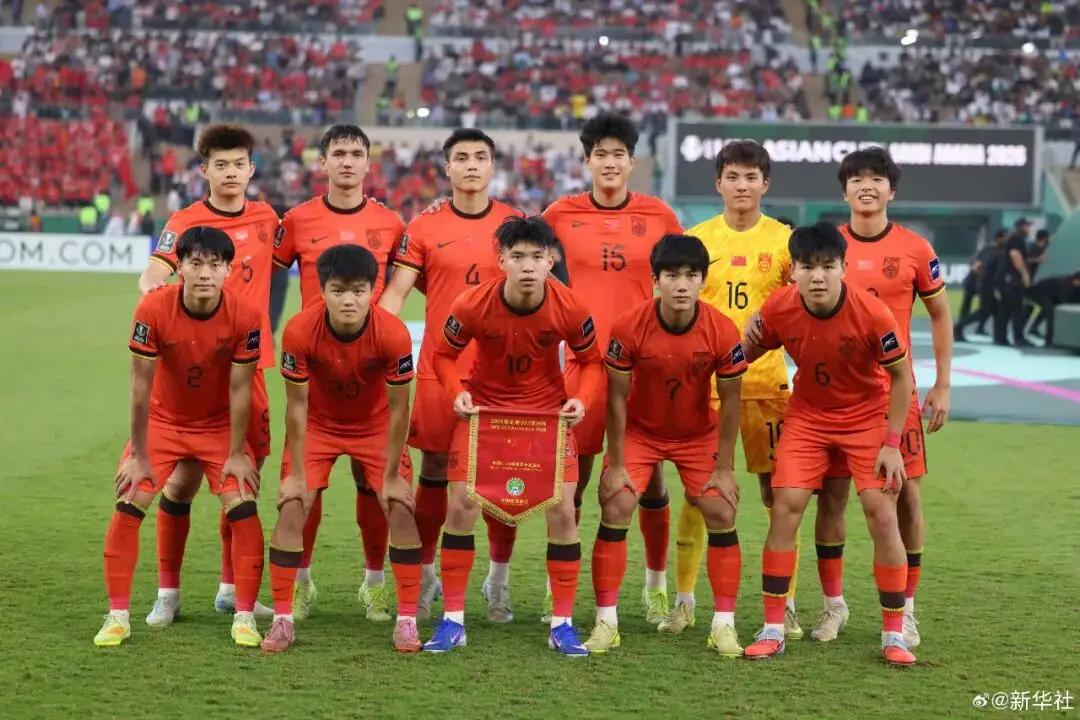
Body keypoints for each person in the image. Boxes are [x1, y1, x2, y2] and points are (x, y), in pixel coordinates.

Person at [423, 216, 601, 657]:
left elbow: (592, 361)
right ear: (501, 260)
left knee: (563, 509)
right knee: (461, 506)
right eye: (517, 256)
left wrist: (581, 400)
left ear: (550, 261)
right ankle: (453, 621)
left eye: (537, 257)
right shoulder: (471, 303)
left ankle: (562, 624)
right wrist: (456, 392)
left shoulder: (571, 306)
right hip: (485, 415)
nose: (527, 266)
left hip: (545, 417)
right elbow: (442, 356)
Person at [741, 222, 917, 666]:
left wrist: (891, 443)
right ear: (793, 271)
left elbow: (901, 377)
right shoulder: (779, 307)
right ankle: (773, 628)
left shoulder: (873, 313)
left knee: (882, 513)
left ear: (843, 268)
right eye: (807, 267)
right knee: (786, 506)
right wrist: (738, 338)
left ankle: (894, 634)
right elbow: (744, 354)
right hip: (809, 416)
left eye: (827, 266)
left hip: (866, 417)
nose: (817, 277)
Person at [542, 113, 683, 625]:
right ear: (587, 161)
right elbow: (518, 251)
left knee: (650, 480)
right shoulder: (560, 214)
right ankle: (559, 592)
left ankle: (656, 585)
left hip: (642, 370)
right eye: (600, 154)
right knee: (571, 483)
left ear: (631, 161)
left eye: (618, 154)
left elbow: (683, 280)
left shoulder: (659, 215)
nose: (609, 162)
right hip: (581, 367)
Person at [94, 227, 266, 648]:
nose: (205, 273)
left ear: (228, 269)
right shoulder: (153, 308)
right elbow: (139, 387)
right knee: (130, 499)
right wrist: (137, 453)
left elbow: (241, 388)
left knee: (243, 505)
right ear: (180, 267)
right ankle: (118, 616)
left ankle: (244, 616)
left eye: (214, 264)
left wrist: (238, 452)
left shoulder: (246, 315)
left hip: (217, 425)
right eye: (195, 263)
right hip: (163, 422)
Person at [379, 128, 524, 622]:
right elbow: (398, 291)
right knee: (435, 472)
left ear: (493, 166)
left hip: (503, 374)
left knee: (503, 478)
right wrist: (372, 339)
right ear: (447, 167)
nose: (471, 165)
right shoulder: (423, 226)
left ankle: (498, 581)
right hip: (440, 371)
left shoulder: (515, 224)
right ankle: (424, 576)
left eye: (481, 157)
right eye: (461, 157)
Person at [136, 124, 278, 625]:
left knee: (239, 482)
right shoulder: (185, 221)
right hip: (194, 373)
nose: (230, 172)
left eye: (238, 164)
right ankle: (168, 593)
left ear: (251, 170)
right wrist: (155, 293)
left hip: (249, 368)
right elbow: (154, 272)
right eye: (221, 165)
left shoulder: (267, 218)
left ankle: (229, 589)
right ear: (205, 170)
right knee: (181, 484)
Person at [811, 148, 952, 648]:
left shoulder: (915, 248)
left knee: (906, 498)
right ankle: (834, 606)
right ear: (844, 190)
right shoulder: (828, 249)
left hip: (895, 394)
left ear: (892, 190)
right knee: (832, 497)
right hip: (833, 396)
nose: (866, 186)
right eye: (856, 179)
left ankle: (905, 610)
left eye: (876, 179)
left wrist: (942, 384)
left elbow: (940, 314)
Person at [585, 234, 748, 656]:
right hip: (641, 431)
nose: (681, 284)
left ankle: (723, 625)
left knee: (720, 508)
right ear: (655, 280)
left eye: (691, 275)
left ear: (703, 281)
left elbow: (731, 401)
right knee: (617, 502)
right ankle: (606, 622)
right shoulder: (629, 326)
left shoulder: (722, 329)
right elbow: (616, 397)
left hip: (697, 434)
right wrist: (616, 462)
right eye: (672, 275)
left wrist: (724, 468)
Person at [273, 123, 407, 621]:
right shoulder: (297, 219)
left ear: (368, 162)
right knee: (304, 488)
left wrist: (383, 326)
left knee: (375, 486)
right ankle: (301, 583)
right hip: (316, 371)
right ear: (323, 162)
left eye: (356, 153)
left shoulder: (391, 223)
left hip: (371, 371)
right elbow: (266, 274)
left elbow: (411, 278)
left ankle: (375, 583)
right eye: (338, 153)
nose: (347, 161)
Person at [664, 140, 798, 637]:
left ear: (766, 184)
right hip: (707, 389)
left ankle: (784, 603)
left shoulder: (785, 242)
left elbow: (798, 310)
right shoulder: (698, 240)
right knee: (698, 492)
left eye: (751, 177)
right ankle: (683, 601)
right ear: (718, 182)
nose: (742, 186)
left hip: (766, 386)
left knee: (778, 493)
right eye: (733, 177)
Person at [262, 245, 422, 653]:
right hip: (319, 423)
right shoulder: (299, 330)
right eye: (338, 290)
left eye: (358, 290)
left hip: (375, 424)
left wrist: (391, 477)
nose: (348, 300)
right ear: (322, 291)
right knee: (292, 504)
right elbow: (296, 406)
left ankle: (406, 620)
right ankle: (282, 619)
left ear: (372, 291)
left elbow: (400, 408)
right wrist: (297, 475)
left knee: (401, 506)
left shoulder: (393, 333)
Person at [954, 229, 1006, 341]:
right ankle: (958, 328)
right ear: (999, 238)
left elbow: (975, 264)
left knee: (991, 308)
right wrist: (983, 281)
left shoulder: (987, 250)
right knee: (983, 309)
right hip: (977, 282)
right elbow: (977, 266)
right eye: (1005, 238)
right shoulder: (992, 251)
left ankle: (969, 329)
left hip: (976, 281)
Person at [996, 218, 1033, 347]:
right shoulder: (1017, 239)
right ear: (1021, 227)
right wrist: (1024, 274)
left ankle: (1001, 337)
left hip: (1006, 279)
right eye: (1027, 226)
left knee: (1005, 309)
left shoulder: (1012, 238)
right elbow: (1015, 255)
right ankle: (1018, 338)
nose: (1029, 228)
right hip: (1012, 279)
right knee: (1017, 309)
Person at [1027, 271, 1080, 346]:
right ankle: (1048, 340)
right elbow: (1064, 299)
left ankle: (1033, 329)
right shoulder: (1065, 284)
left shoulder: (1071, 284)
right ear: (1076, 280)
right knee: (1049, 310)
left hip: (1048, 294)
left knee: (1047, 308)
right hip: (1037, 291)